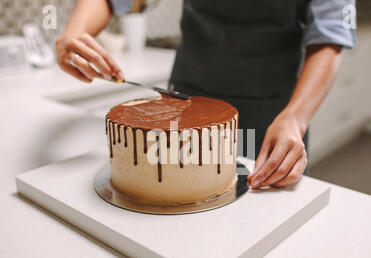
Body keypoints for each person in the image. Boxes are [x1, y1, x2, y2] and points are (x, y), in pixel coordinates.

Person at [56, 0, 355, 189]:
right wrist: (73, 34)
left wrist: (295, 118)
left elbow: (330, 35)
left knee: (258, 218)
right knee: (171, 197)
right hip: (185, 106)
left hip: (272, 116)